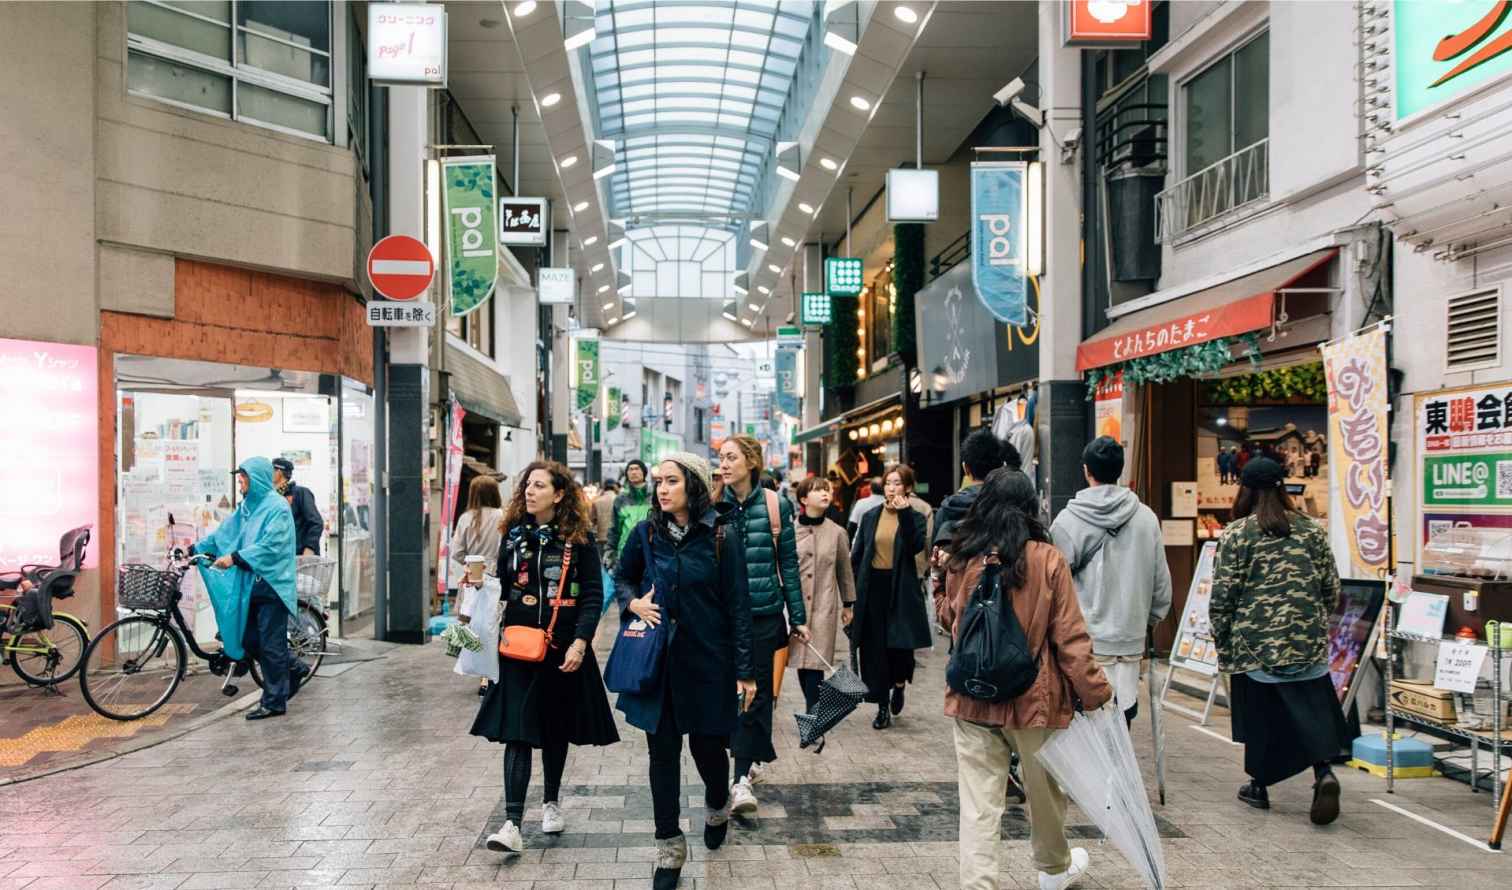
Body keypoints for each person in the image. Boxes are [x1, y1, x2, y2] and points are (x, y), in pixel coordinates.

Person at [937, 468, 1112, 890]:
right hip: (1034, 700)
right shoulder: (1047, 558)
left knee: (979, 803)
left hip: (973, 696)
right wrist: (1095, 692)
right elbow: (1069, 637)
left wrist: (943, 589)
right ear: (1031, 507)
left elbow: (949, 620)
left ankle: (979, 884)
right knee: (1045, 790)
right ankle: (1053, 869)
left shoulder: (964, 554)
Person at [613, 452, 755, 890]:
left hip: (709, 662)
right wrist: (632, 602)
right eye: (658, 481)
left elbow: (739, 606)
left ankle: (717, 802)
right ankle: (669, 848)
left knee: (708, 750)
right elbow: (623, 577)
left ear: (691, 485)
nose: (661, 488)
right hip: (660, 667)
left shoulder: (721, 535)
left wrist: (746, 672)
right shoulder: (645, 533)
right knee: (662, 755)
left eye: (671, 480)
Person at [470, 460, 619, 855]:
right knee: (517, 732)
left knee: (554, 729)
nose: (529, 492)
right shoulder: (513, 535)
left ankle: (551, 801)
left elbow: (591, 594)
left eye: (539, 485)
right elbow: (502, 588)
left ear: (559, 493)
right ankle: (512, 823)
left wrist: (581, 641)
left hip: (562, 649)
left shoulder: (579, 539)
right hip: (517, 648)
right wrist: (478, 593)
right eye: (527, 486)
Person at [1209, 457, 1348, 826]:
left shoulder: (1237, 534)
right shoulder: (1312, 531)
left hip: (1256, 647)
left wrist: (1222, 643)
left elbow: (1223, 597)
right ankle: (1323, 774)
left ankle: (1259, 786)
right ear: (1282, 488)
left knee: (1263, 719)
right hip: (1307, 644)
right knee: (1312, 713)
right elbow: (1331, 590)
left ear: (1245, 490)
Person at [1049, 436, 1172, 726]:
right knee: (1121, 724)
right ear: (1120, 470)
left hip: (1083, 646)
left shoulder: (1068, 521)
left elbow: (1052, 587)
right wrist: (1145, 621)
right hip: (1128, 644)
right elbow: (1161, 588)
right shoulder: (1146, 518)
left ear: (1086, 470)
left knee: (1084, 732)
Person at [717, 435, 808, 815]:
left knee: (753, 696)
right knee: (726, 695)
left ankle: (739, 781)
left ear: (751, 461)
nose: (723, 464)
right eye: (720, 457)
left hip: (762, 614)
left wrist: (798, 616)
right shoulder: (712, 505)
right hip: (720, 616)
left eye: (731, 457)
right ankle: (744, 760)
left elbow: (787, 562)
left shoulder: (775, 505)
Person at [192, 457, 306, 720]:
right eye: (239, 476)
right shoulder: (246, 508)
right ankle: (294, 667)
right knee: (246, 637)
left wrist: (235, 558)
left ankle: (274, 701)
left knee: (270, 643)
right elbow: (224, 535)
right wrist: (197, 548)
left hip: (273, 585)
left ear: (258, 478)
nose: (240, 480)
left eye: (244, 476)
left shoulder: (277, 507)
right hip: (249, 586)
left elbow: (271, 546)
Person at [850, 464, 932, 729]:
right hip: (873, 588)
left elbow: (915, 545)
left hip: (902, 589)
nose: (891, 488)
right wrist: (851, 594)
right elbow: (859, 553)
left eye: (897, 483)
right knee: (875, 651)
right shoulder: (871, 515)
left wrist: (905, 511)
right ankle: (882, 706)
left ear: (907, 487)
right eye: (888, 483)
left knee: (900, 650)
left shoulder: (915, 516)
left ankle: (899, 685)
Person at [787, 476, 857, 740]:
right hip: (795, 607)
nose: (825, 493)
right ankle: (814, 714)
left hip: (825, 605)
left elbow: (844, 571)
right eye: (818, 490)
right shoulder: (789, 532)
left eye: (827, 489)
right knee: (803, 664)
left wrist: (848, 604)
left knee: (815, 663)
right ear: (804, 499)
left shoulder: (838, 532)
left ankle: (813, 717)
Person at [932, 430, 1021, 551]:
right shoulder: (1014, 504)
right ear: (1000, 466)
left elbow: (935, 557)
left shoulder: (947, 509)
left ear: (966, 468)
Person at [272, 457, 322, 556]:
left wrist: (310, 547)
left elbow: (316, 522)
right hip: (281, 556)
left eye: (271, 470)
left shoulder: (300, 493)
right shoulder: (273, 497)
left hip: (300, 555)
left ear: (279, 472)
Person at [610, 460, 653, 569]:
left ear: (644, 472)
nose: (633, 472)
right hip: (624, 554)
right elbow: (614, 529)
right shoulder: (620, 499)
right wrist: (610, 555)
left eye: (637, 468)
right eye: (630, 469)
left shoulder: (655, 497)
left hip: (651, 553)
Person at [591, 479, 618, 562]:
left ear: (604, 487)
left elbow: (592, 521)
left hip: (601, 538)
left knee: (602, 562)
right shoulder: (619, 500)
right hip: (616, 538)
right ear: (615, 487)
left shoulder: (596, 501)